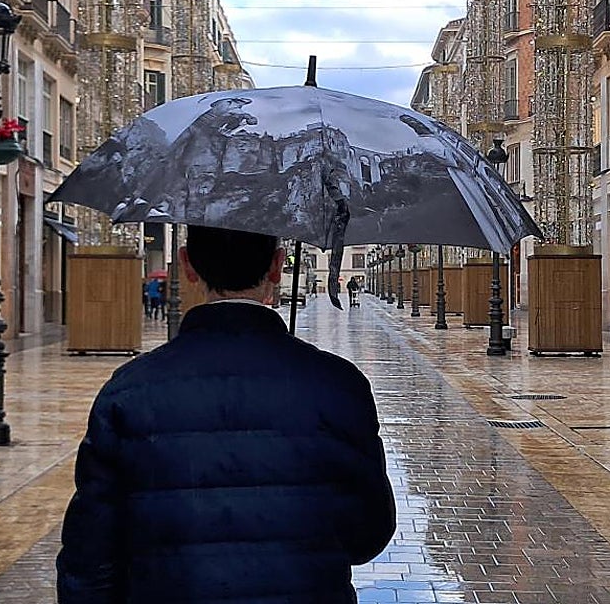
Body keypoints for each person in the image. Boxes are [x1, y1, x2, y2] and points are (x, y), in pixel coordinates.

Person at [58, 225, 396, 603]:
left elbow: (89, 557)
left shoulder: (129, 391)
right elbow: (369, 533)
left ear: (187, 265)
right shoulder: (339, 386)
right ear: (276, 266)